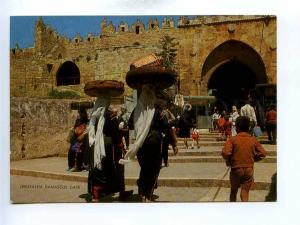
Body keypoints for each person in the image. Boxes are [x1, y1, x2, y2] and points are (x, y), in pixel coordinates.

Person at [85, 81, 133, 202]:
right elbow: (114, 132)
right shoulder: (109, 115)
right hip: (107, 146)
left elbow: (91, 132)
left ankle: (96, 194)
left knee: (97, 169)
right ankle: (120, 192)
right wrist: (121, 145)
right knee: (116, 168)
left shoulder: (93, 115)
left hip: (94, 145)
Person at [222, 116, 267, 202]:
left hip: (236, 169)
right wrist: (254, 159)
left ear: (236, 127)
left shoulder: (232, 140)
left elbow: (226, 153)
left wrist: (229, 161)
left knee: (233, 191)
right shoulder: (253, 139)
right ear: (249, 127)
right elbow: (263, 153)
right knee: (245, 191)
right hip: (249, 169)